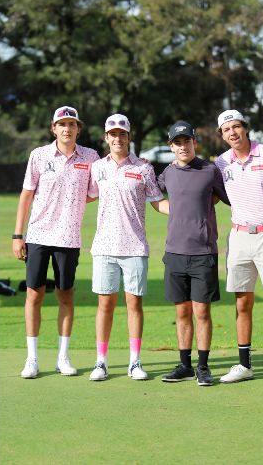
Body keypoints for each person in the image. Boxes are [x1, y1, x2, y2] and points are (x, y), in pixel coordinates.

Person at [12, 106, 100, 379]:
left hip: (69, 237)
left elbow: (95, 190)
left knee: (65, 295)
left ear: (78, 129)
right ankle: (32, 359)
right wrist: (17, 235)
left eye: (72, 124)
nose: (67, 129)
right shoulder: (38, 155)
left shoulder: (90, 157)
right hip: (38, 235)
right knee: (34, 294)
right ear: (54, 128)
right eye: (62, 124)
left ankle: (63, 357)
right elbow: (26, 195)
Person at [214, 109, 263, 388]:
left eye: (236, 127)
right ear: (222, 135)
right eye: (227, 129)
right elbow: (214, 195)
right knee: (242, 302)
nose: (233, 133)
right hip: (239, 237)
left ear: (245, 128)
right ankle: (244, 365)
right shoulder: (221, 162)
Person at [87, 114, 167, 381]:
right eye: (113, 134)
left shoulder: (144, 168)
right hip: (104, 247)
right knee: (105, 305)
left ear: (129, 137)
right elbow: (87, 196)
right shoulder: (97, 168)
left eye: (122, 134)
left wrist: (187, 208)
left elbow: (157, 202)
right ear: (106, 137)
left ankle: (135, 362)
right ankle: (101, 362)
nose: (118, 138)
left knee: (134, 304)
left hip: (135, 247)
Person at [156, 121, 230, 386]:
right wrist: (170, 209)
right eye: (177, 143)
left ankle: (203, 367)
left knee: (202, 313)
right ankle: (185, 365)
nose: (183, 146)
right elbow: (152, 195)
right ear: (171, 147)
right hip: (175, 252)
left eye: (186, 141)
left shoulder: (210, 170)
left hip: (203, 253)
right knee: (182, 313)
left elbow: (227, 196)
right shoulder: (167, 173)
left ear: (194, 142)